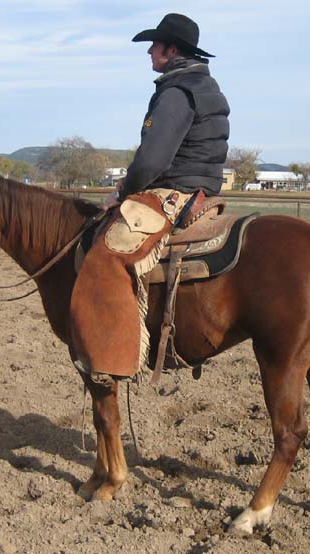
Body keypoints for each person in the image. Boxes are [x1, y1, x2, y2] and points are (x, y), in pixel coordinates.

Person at [70, 13, 230, 384]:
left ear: (171, 50)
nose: (150, 52)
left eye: (154, 45)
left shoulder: (177, 92)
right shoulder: (203, 86)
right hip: (197, 184)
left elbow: (153, 159)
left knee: (110, 252)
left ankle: (115, 359)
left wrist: (123, 191)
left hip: (175, 188)